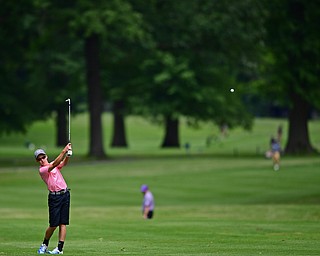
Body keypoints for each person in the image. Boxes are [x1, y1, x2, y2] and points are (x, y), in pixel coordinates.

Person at [35, 143, 72, 254]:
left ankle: (59, 249)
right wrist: (63, 151)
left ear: (46, 156)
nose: (42, 160)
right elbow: (55, 164)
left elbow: (63, 163)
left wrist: (68, 155)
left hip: (65, 194)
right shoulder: (43, 170)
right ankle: (44, 244)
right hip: (54, 197)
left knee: (63, 223)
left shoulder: (52, 164)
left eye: (43, 157)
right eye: (39, 159)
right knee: (53, 224)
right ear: (37, 161)